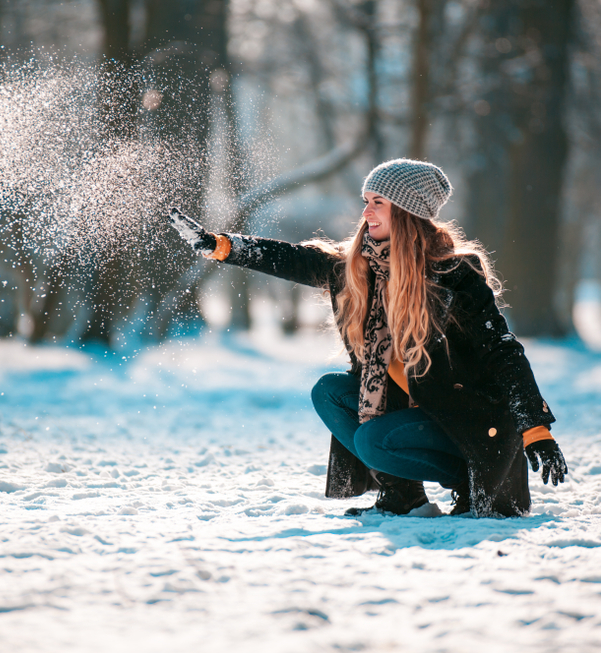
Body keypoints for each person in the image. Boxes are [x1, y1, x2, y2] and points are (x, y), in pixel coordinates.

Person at [167, 158, 567, 517]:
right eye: (366, 200)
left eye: (378, 201)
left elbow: (503, 352)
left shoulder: (454, 276)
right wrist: (220, 246)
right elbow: (293, 259)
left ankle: (467, 478)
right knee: (329, 391)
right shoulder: (360, 268)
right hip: (416, 408)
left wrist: (535, 429)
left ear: (407, 211)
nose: (366, 211)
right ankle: (403, 498)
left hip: (467, 418)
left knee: (375, 440)